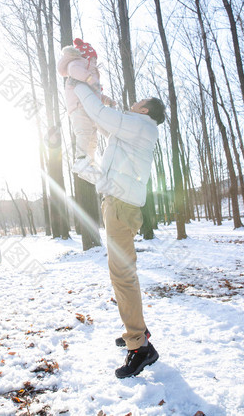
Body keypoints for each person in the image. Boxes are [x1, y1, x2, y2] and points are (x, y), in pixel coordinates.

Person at [73, 82, 165, 378]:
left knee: (123, 276)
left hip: (121, 207)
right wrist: (102, 103)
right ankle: (137, 331)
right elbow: (107, 124)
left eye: (137, 103)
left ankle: (140, 347)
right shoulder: (135, 130)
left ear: (145, 110)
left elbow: (100, 115)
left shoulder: (141, 126)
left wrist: (79, 87)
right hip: (118, 204)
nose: (132, 104)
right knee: (124, 274)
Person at [57, 38, 116, 183]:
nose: (96, 62)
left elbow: (96, 94)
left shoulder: (89, 72)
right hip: (78, 107)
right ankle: (80, 159)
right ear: (87, 57)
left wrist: (106, 99)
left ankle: (88, 161)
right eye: (94, 59)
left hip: (89, 108)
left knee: (92, 137)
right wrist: (89, 77)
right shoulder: (78, 64)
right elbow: (74, 70)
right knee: (83, 132)